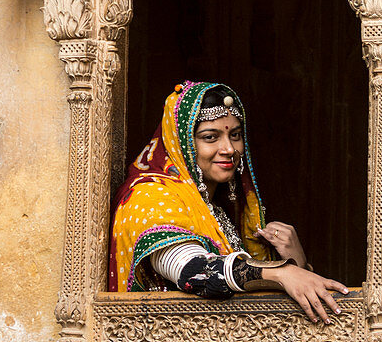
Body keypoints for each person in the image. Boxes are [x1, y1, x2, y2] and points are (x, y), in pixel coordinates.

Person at [108, 81, 349, 323]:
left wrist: (298, 262)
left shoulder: (214, 211)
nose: (229, 149)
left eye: (235, 135)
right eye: (210, 137)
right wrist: (282, 271)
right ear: (180, 143)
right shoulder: (149, 196)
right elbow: (195, 272)